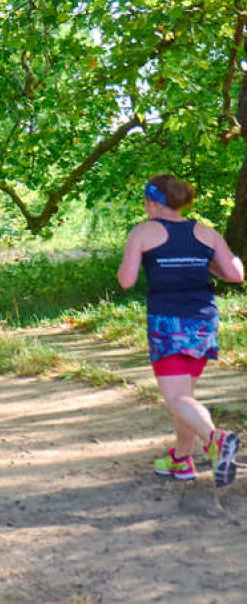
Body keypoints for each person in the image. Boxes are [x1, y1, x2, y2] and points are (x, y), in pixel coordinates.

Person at [118, 174, 244, 487]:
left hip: (167, 321)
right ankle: (180, 458)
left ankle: (216, 439)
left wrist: (134, 256)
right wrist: (212, 264)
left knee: (175, 398)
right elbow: (235, 274)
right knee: (185, 395)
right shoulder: (205, 233)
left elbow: (126, 280)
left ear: (151, 202)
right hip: (203, 321)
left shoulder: (143, 232)